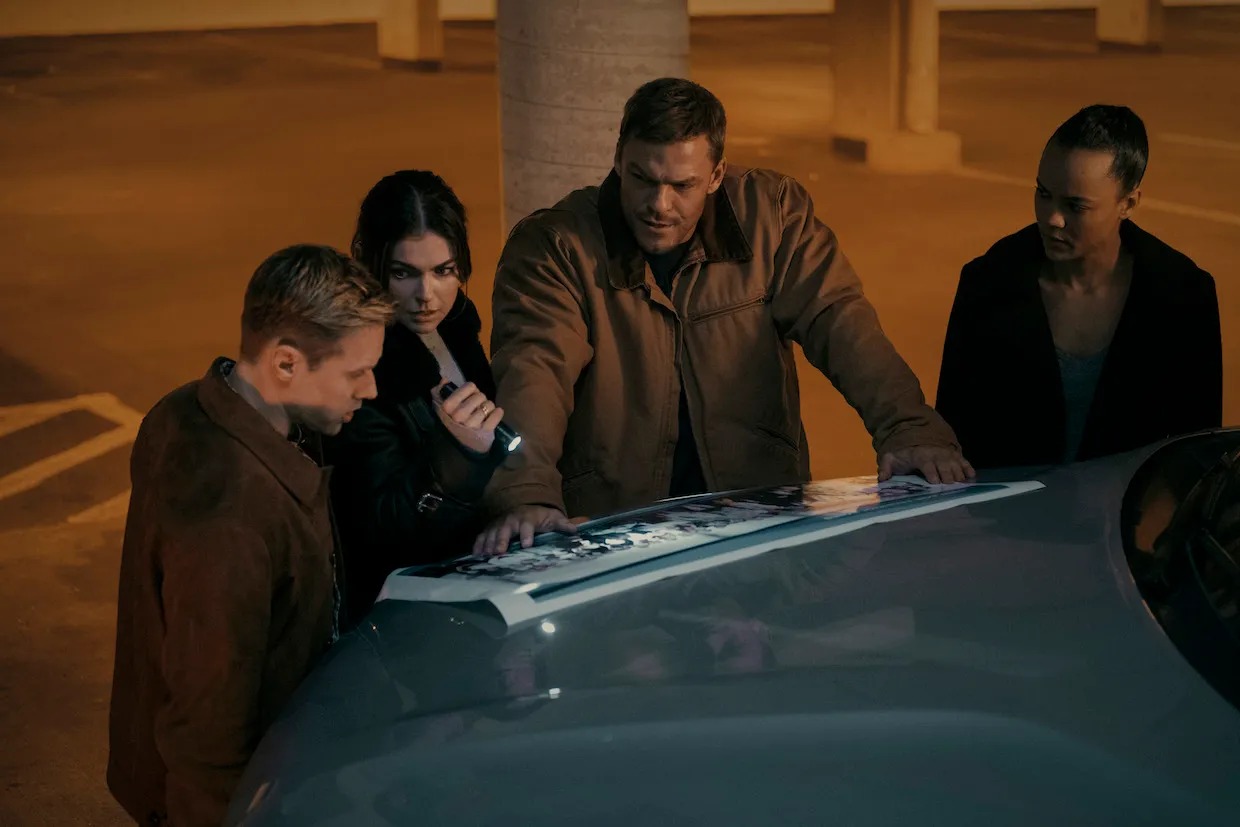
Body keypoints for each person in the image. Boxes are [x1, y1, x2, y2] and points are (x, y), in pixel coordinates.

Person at [475, 77, 972, 555]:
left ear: (716, 175)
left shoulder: (773, 216)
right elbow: (535, 371)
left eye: (682, 185)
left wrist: (908, 427)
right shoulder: (554, 247)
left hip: (755, 516)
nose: (658, 204)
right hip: (616, 526)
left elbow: (840, 322)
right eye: (642, 178)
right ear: (618, 159)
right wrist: (527, 495)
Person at [107, 244, 395, 827]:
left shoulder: (185, 409)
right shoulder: (232, 519)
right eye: (355, 372)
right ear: (286, 364)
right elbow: (208, 735)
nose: (370, 390)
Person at [935, 104, 1222, 468]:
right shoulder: (988, 282)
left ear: (1128, 203)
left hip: (1128, 505)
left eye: (1075, 206)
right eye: (1043, 194)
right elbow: (952, 440)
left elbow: (1197, 455)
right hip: (1012, 504)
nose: (1053, 219)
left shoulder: (1183, 295)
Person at [327, 170, 508, 625]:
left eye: (443, 271)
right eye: (403, 273)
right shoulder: (365, 367)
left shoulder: (457, 325)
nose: (426, 296)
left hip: (481, 576)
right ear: (372, 267)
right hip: (407, 607)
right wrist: (459, 457)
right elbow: (383, 532)